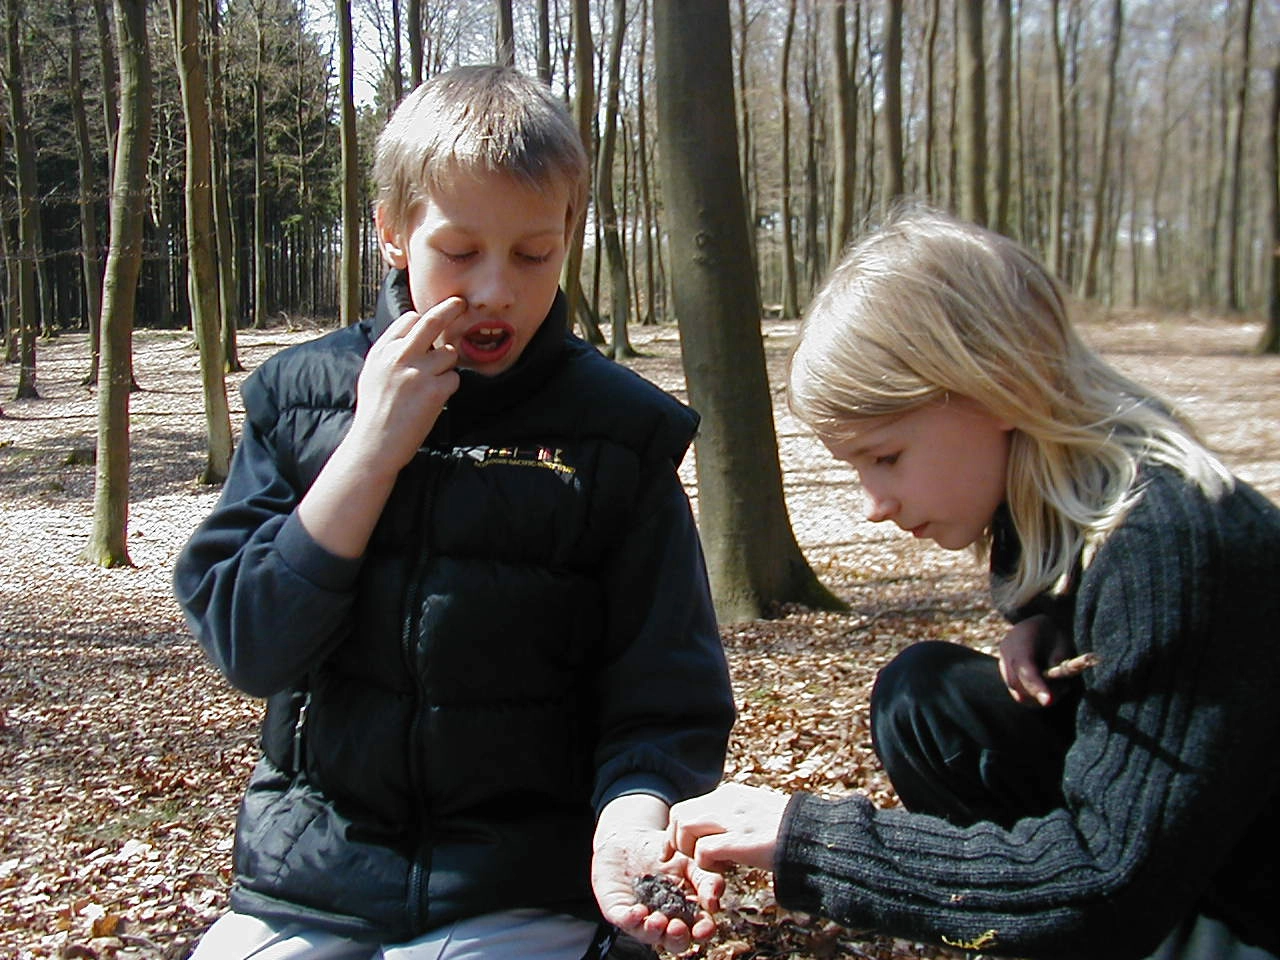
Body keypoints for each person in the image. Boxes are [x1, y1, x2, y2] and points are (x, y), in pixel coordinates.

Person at [174, 64, 734, 960]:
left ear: (568, 240)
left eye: (533, 254)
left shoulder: (620, 436)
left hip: (525, 887)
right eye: (461, 250)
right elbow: (252, 643)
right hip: (314, 884)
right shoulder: (298, 400)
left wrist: (635, 813)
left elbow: (667, 691)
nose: (495, 291)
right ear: (394, 233)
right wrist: (371, 449)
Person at [667, 204, 1280, 960]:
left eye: (885, 457)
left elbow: (1105, 883)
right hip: (1181, 863)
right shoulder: (1059, 519)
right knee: (925, 699)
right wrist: (1054, 626)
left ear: (991, 386)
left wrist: (807, 839)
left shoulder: (1174, 545)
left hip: (1245, 904)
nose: (872, 505)